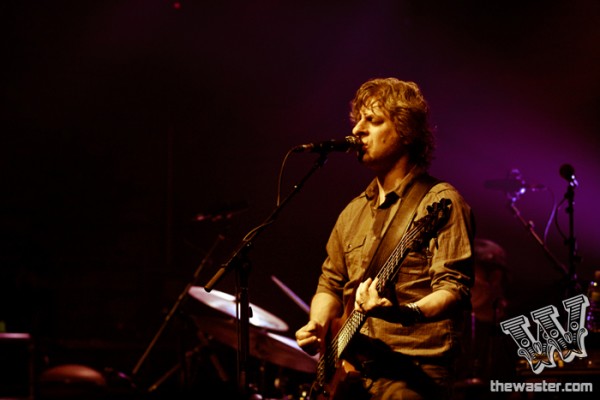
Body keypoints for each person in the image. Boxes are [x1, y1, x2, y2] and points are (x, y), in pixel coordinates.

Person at [295, 78, 475, 400]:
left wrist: (404, 313)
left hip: (413, 373)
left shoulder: (440, 202)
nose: (359, 129)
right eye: (358, 120)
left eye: (374, 120)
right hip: (352, 374)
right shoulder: (353, 212)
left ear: (406, 132)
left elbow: (453, 289)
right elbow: (330, 283)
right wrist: (318, 324)